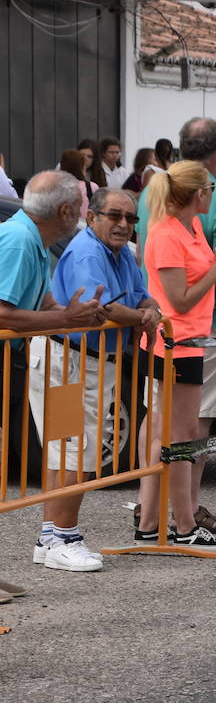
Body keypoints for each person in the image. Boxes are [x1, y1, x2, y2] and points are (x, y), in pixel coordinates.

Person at [30, 189, 161, 566]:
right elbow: (101, 308)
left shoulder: (121, 253)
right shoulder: (88, 251)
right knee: (75, 453)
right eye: (115, 216)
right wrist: (143, 317)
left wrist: (148, 309)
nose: (123, 224)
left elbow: (141, 296)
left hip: (84, 359)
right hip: (71, 359)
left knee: (66, 452)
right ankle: (64, 539)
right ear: (93, 217)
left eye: (131, 219)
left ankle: (50, 538)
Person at [2, 172, 111, 579]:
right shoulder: (19, 239)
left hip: (30, 359)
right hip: (31, 360)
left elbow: (41, 299)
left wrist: (73, 313)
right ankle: (61, 537)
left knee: (61, 446)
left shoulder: (30, 239)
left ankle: (53, 537)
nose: (84, 214)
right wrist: (65, 316)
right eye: (83, 206)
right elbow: (1, 309)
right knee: (68, 447)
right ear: (65, 211)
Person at [136, 161, 216, 549]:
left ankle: (150, 522)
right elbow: (179, 301)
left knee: (168, 435)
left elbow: (195, 281)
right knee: (179, 439)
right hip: (175, 344)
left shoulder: (192, 226)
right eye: (211, 190)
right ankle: (182, 526)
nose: (214, 196)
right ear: (199, 194)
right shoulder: (166, 233)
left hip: (189, 342)